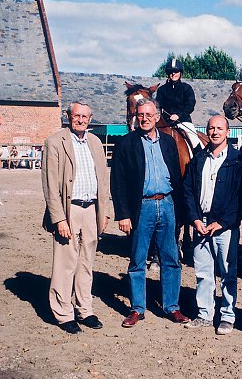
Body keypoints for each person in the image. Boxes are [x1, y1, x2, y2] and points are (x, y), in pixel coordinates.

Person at [110, 98, 190, 327]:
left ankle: (172, 307)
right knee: (137, 260)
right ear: (136, 116)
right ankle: (137, 308)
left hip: (166, 204)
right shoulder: (126, 144)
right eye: (140, 115)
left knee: (171, 259)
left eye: (149, 115)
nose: (144, 119)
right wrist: (123, 214)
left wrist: (180, 208)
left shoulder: (168, 142)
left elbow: (177, 176)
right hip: (141, 207)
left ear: (157, 117)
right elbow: (118, 182)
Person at [41, 101, 111, 334]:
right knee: (65, 264)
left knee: (86, 263)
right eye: (76, 115)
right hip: (68, 209)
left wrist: (105, 210)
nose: (80, 120)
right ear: (68, 116)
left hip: (91, 209)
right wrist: (59, 218)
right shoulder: (55, 142)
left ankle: (85, 309)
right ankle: (63, 314)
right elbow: (50, 185)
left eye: (85, 116)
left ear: (90, 119)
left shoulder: (95, 142)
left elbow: (103, 178)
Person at [182, 115, 242, 335]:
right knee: (203, 272)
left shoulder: (237, 161)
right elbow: (187, 190)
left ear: (228, 132)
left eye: (219, 128)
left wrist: (224, 222)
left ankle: (227, 316)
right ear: (206, 131)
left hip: (224, 227)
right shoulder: (198, 159)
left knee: (227, 272)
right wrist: (195, 218)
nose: (215, 132)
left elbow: (241, 196)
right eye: (211, 128)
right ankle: (205, 314)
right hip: (201, 223)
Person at [156, 58, 202, 153]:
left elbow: (190, 105)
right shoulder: (161, 90)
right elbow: (157, 106)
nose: (173, 74)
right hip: (165, 124)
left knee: (195, 141)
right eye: (171, 72)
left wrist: (178, 115)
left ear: (180, 73)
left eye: (176, 71)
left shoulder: (186, 88)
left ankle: (198, 161)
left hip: (183, 121)